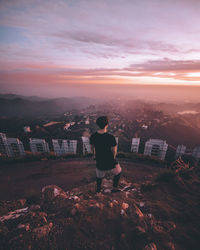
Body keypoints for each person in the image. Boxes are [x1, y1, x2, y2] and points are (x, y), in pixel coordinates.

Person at [89, 116, 122, 193]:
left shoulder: (93, 136)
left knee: (99, 177)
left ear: (97, 125)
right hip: (110, 160)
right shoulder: (111, 137)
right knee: (118, 172)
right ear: (107, 125)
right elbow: (114, 151)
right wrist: (112, 158)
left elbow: (92, 148)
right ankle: (115, 188)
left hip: (99, 159)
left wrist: (95, 155)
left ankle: (98, 190)